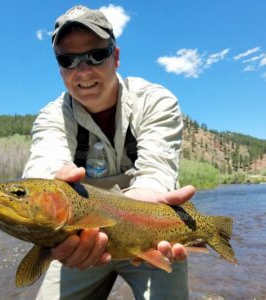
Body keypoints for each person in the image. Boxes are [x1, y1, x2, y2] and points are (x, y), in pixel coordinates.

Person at [23, 5, 195, 300]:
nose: (83, 70)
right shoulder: (52, 117)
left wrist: (138, 216)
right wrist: (50, 198)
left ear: (115, 57)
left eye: (96, 55)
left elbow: (157, 170)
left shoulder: (155, 101)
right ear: (60, 68)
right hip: (83, 240)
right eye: (69, 60)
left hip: (150, 231)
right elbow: (43, 166)